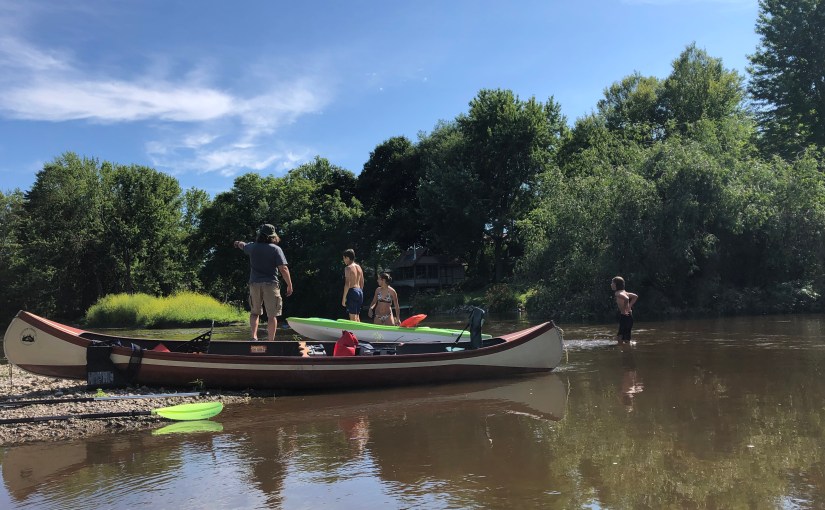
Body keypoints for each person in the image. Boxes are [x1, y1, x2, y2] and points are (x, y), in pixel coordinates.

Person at [233, 224, 293, 341]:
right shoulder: (276, 249)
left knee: (255, 312)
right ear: (272, 237)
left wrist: (237, 242)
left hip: (254, 284)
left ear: (260, 234)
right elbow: (283, 268)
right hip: (270, 284)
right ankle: (271, 341)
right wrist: (289, 285)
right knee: (272, 315)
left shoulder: (252, 247)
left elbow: (242, 245)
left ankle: (254, 337)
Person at [611, 276, 638, 345]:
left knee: (620, 337)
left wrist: (625, 309)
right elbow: (635, 296)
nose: (611, 284)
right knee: (627, 338)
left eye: (612, 283)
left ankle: (622, 351)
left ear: (616, 284)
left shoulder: (617, 293)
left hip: (624, 316)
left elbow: (626, 298)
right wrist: (629, 307)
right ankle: (627, 351)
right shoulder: (624, 292)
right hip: (630, 317)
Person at [342, 248, 364, 321]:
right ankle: (360, 332)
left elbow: (347, 284)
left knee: (352, 317)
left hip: (352, 291)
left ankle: (353, 332)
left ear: (347, 258)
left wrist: (344, 298)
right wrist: (360, 292)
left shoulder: (348, 268)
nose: (344, 260)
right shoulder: (359, 267)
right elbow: (362, 282)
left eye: (344, 258)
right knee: (357, 316)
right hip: (360, 291)